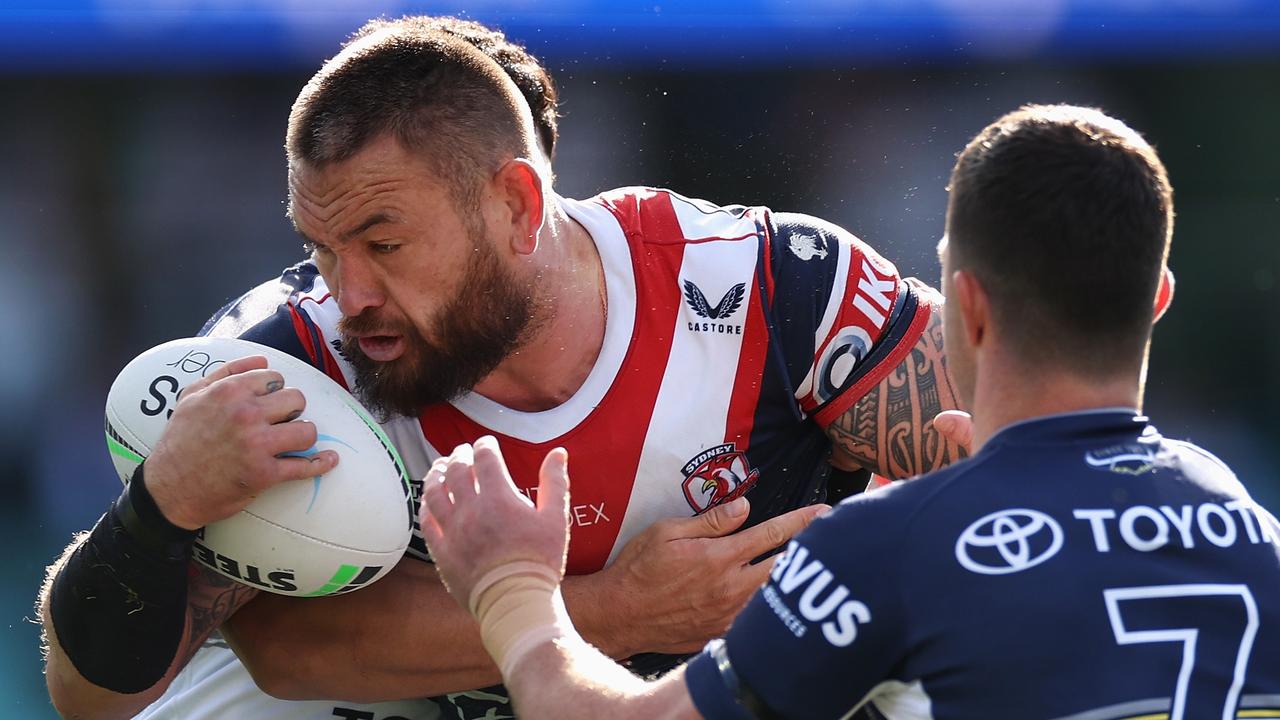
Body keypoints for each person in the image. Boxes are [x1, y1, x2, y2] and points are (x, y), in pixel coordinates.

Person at [37, 15, 965, 720]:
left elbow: (1032, 467)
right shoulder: (285, 364)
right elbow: (113, 694)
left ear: (518, 204)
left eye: (384, 241)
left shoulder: (780, 290)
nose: (349, 292)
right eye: (322, 249)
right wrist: (156, 508)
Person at [419, 104, 1280, 719]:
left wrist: (512, 591)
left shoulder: (890, 545)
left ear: (968, 309)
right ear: (1157, 298)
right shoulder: (1255, 532)